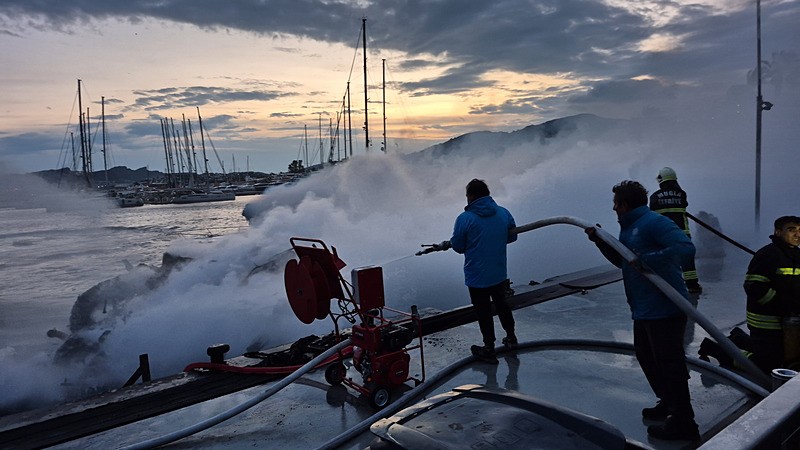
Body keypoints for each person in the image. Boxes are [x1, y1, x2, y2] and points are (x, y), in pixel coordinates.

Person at [586, 180, 699, 441]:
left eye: (616, 204)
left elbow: (685, 248)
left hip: (666, 308)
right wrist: (602, 242)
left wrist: (647, 259)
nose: (613, 208)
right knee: (647, 357)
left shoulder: (652, 223)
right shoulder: (630, 229)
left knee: (669, 363)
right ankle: (668, 403)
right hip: (644, 308)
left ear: (624, 205)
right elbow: (625, 262)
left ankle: (684, 421)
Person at [699, 216, 800, 373]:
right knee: (768, 366)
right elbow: (754, 287)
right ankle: (717, 349)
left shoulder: (796, 256)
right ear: (778, 232)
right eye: (792, 230)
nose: (797, 235)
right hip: (765, 321)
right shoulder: (768, 255)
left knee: (787, 356)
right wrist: (785, 306)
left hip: (787, 320)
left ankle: (739, 338)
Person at [437, 179, 518, 364]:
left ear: (471, 196)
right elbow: (512, 236)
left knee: (483, 311)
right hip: (499, 272)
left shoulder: (465, 218)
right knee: (503, 305)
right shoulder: (503, 213)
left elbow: (458, 246)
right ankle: (511, 337)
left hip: (477, 276)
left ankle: (489, 348)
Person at [649, 167, 702, 294]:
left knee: (667, 262)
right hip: (682, 234)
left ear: (661, 180)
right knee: (687, 262)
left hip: (663, 236)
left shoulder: (654, 197)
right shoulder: (682, 194)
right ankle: (693, 285)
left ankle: (668, 287)